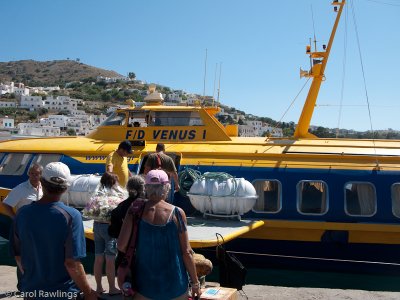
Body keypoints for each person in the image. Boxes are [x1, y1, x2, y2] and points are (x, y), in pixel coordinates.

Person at [11, 162, 97, 300]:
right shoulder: (72, 216)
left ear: (42, 183)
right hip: (63, 293)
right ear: (65, 188)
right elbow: (72, 263)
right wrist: (88, 293)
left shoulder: (21, 214)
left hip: (31, 292)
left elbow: (18, 256)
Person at [118, 169, 201, 300]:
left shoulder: (135, 209)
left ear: (146, 188)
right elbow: (187, 252)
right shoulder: (178, 213)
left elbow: (121, 245)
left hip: (144, 286)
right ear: (167, 188)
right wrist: (195, 283)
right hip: (175, 286)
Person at [92, 172, 125, 296]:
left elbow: (91, 211)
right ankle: (112, 288)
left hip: (97, 226)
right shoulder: (116, 197)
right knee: (110, 259)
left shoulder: (97, 195)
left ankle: (99, 287)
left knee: (98, 257)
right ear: (113, 183)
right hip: (109, 228)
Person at [108, 175, 145, 239]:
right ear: (143, 187)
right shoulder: (148, 205)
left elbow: (113, 232)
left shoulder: (121, 206)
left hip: (127, 243)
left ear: (128, 188)